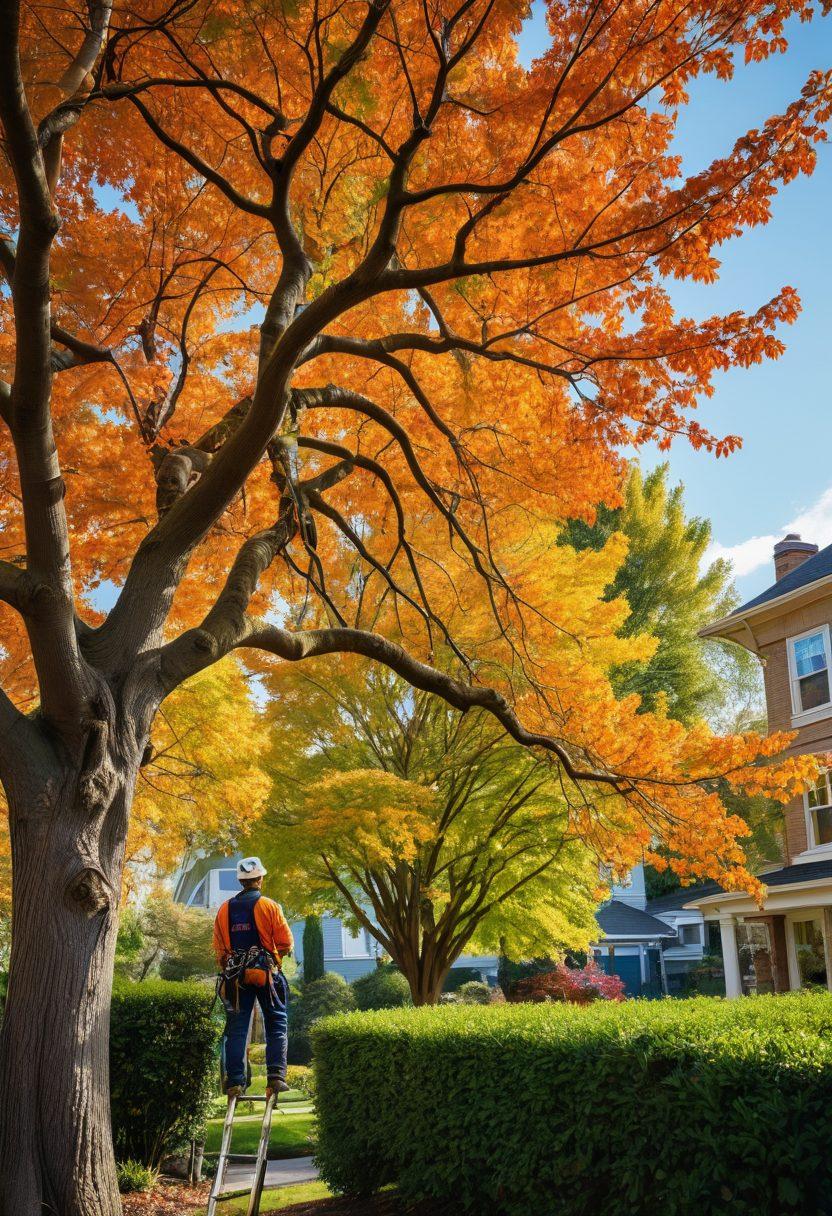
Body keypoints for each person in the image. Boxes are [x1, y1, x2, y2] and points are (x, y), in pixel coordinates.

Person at [213, 856, 294, 1098]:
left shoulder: (224, 909)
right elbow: (286, 942)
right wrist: (274, 958)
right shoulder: (269, 906)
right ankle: (276, 1076)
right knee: (276, 1022)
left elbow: (219, 950)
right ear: (260, 879)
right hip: (266, 975)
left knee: (236, 1029)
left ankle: (235, 1081)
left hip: (236, 978)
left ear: (240, 880)